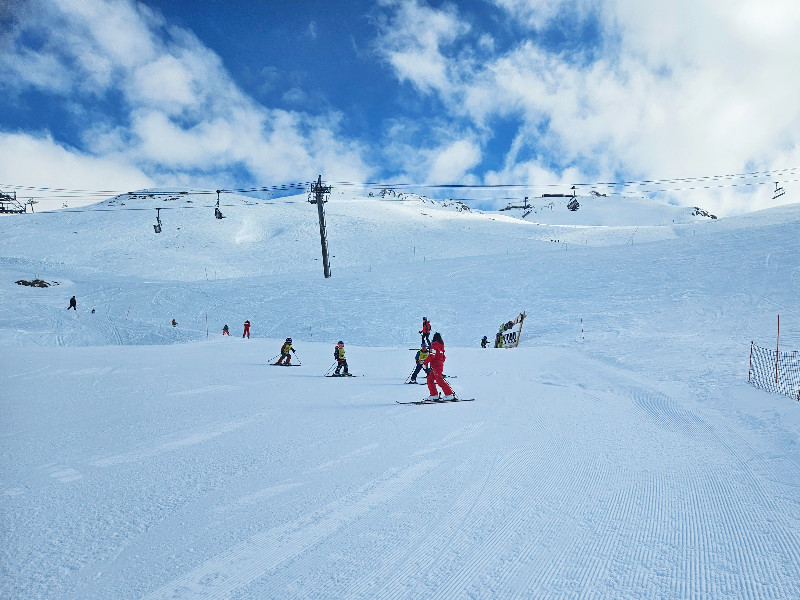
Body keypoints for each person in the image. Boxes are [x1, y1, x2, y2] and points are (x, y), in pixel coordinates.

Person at [423, 332, 455, 401]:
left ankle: (449, 394)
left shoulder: (434, 346)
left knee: (439, 380)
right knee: (430, 379)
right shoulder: (441, 347)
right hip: (437, 366)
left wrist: (425, 363)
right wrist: (440, 364)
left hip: (436, 367)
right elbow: (443, 357)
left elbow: (432, 355)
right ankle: (434, 395)